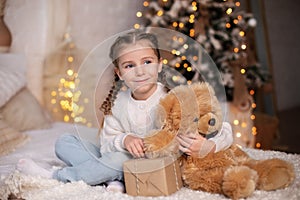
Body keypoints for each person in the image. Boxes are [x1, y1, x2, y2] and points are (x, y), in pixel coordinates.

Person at [16, 29, 233, 193]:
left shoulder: (174, 98)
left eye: (147, 62)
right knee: (65, 141)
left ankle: (58, 175)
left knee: (116, 162)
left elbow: (222, 128)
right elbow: (106, 143)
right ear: (119, 73)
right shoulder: (118, 103)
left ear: (159, 65)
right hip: (119, 159)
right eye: (129, 66)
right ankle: (114, 180)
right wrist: (124, 139)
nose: (140, 71)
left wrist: (209, 145)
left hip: (154, 165)